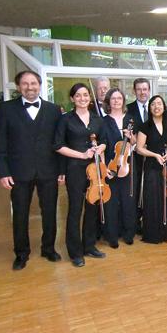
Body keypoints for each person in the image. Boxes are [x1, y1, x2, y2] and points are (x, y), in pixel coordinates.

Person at [0, 70, 63, 270]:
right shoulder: (6, 109)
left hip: (48, 171)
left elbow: (58, 143)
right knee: (20, 214)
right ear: (18, 87)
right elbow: (0, 144)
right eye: (25, 84)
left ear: (40, 85)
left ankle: (48, 248)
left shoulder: (53, 110)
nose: (30, 87)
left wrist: (61, 169)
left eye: (33, 83)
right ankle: (21, 253)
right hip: (18, 172)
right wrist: (3, 172)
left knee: (49, 212)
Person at [55, 83, 107, 267]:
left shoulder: (97, 119)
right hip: (75, 169)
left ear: (89, 98)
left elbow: (104, 141)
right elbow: (58, 146)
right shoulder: (65, 119)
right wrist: (82, 154)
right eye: (78, 95)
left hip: (94, 169)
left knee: (92, 206)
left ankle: (89, 246)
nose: (82, 98)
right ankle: (75, 252)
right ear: (72, 98)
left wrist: (101, 147)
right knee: (76, 209)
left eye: (85, 95)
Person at [136, 95, 167, 243]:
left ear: (164, 106)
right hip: (152, 167)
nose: (156, 107)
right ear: (150, 108)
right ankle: (154, 234)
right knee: (153, 200)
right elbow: (139, 148)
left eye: (159, 104)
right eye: (153, 104)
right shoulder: (144, 126)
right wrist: (154, 155)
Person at [102, 88, 137, 248]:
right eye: (113, 98)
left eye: (119, 98)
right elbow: (102, 146)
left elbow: (137, 144)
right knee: (111, 202)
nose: (116, 101)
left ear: (123, 101)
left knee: (128, 200)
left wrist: (132, 138)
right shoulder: (103, 121)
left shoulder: (131, 119)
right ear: (108, 102)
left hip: (128, 166)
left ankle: (129, 233)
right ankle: (112, 236)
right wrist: (104, 168)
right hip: (111, 167)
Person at [126, 78, 151, 233]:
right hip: (135, 158)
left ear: (149, 90)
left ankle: (149, 222)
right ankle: (135, 223)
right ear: (134, 91)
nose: (142, 92)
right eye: (139, 89)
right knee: (135, 190)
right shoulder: (127, 110)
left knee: (149, 190)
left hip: (153, 157)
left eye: (145, 89)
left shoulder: (157, 108)